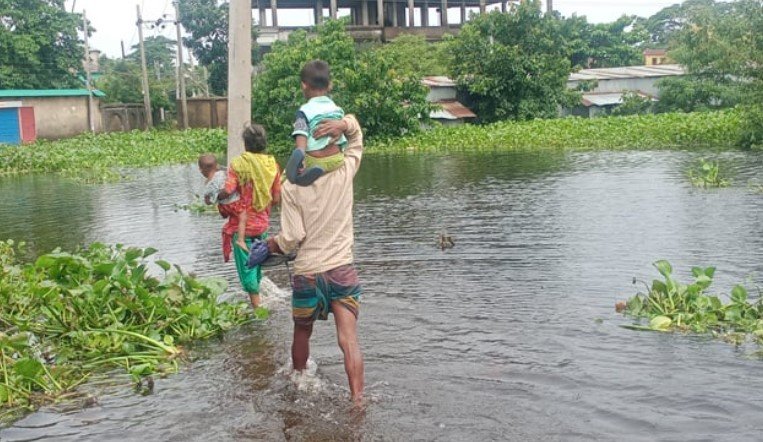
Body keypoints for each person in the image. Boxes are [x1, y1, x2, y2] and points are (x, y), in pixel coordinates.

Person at [267, 114, 365, 404]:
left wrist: (271, 244)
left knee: (302, 332)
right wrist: (344, 125)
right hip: (341, 271)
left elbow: (292, 237)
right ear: (334, 143)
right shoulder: (345, 171)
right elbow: (357, 138)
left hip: (308, 273)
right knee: (349, 341)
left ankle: (299, 380)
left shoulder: (292, 186)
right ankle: (358, 401)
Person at [217, 124, 281, 309]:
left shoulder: (238, 165)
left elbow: (228, 190)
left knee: (247, 270)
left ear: (246, 144)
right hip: (262, 225)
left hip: (242, 228)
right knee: (257, 264)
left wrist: (216, 195)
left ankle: (257, 309)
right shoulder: (272, 165)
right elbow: (276, 198)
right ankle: (258, 302)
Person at [285, 60, 348, 187]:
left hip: (315, 160)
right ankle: (312, 171)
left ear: (304, 85)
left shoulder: (304, 111)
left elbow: (301, 133)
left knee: (287, 177)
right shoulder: (337, 109)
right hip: (337, 159)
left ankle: (300, 175)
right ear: (329, 85)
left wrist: (300, 154)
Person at [199, 154, 249, 253]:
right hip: (234, 203)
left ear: (201, 170)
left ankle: (235, 231)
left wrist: (212, 199)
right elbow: (231, 180)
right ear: (216, 166)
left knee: (235, 218)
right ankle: (241, 240)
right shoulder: (223, 173)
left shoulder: (207, 184)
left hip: (224, 207)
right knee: (243, 217)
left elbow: (207, 201)